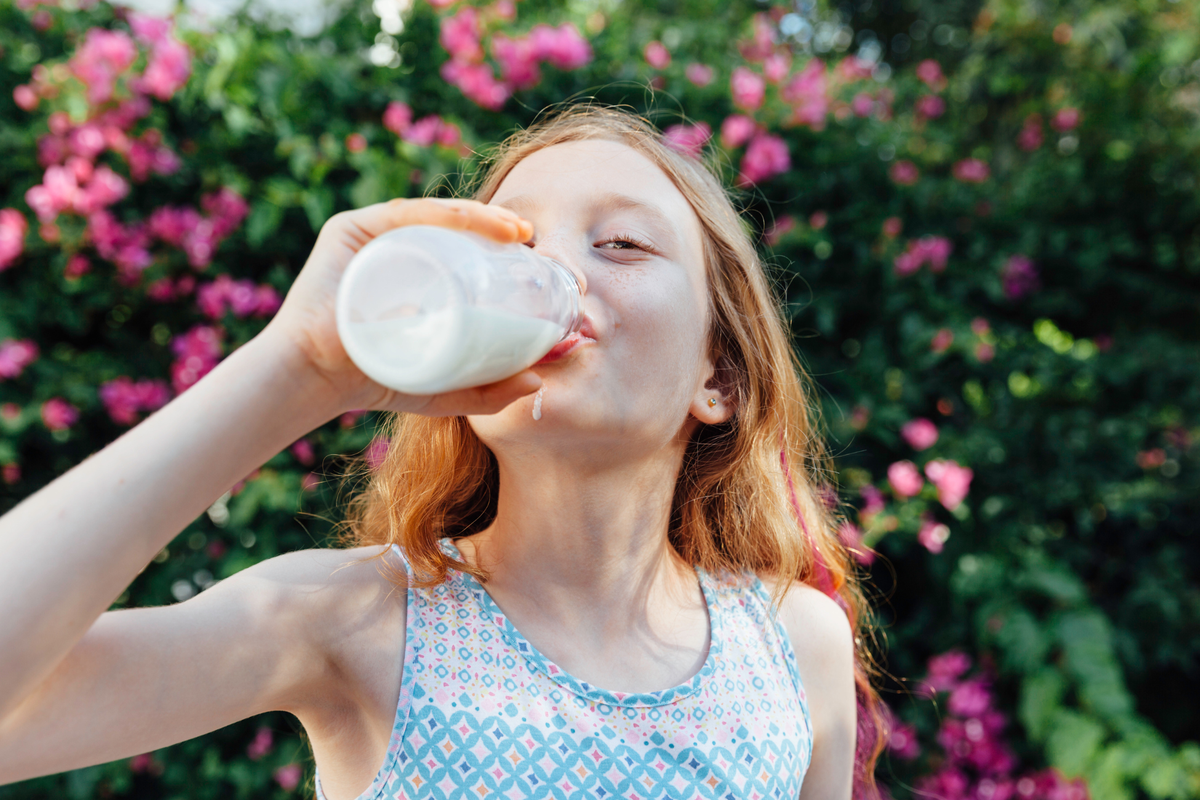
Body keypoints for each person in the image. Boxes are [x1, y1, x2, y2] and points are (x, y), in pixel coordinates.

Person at [0, 106, 883, 799]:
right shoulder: (355, 621)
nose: (561, 275)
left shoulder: (792, 643)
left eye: (621, 243)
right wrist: (298, 368)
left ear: (718, 377)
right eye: (516, 247)